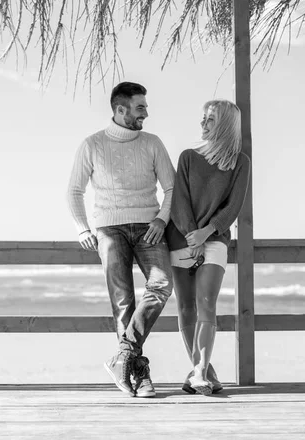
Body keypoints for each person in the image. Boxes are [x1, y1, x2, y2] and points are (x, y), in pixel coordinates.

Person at [66, 82, 176, 397]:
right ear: (120, 109)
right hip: (108, 229)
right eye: (141, 107)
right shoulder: (92, 145)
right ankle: (138, 374)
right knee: (123, 301)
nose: (147, 112)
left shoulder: (152, 143)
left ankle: (123, 356)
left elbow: (170, 188)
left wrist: (160, 219)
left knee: (161, 285)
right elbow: (74, 190)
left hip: (148, 226)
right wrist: (82, 229)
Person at [165, 99, 251, 396]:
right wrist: (192, 235)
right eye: (202, 117)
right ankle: (205, 374)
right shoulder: (188, 157)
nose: (203, 123)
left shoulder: (239, 162)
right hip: (181, 239)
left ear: (225, 124)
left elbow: (233, 207)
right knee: (186, 306)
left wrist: (206, 233)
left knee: (206, 303)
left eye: (210, 119)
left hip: (215, 239)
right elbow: (179, 203)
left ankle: (199, 371)